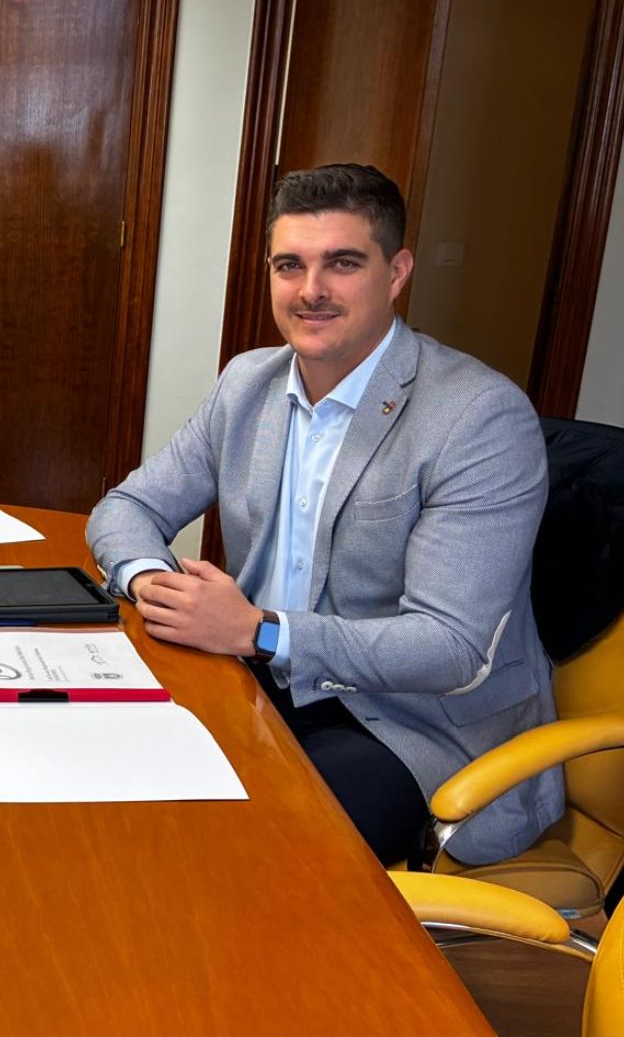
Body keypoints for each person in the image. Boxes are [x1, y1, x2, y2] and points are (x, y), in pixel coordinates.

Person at [87, 163, 562, 866]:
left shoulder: (477, 417)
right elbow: (127, 507)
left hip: (410, 725)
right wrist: (152, 582)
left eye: (342, 263)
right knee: (103, 778)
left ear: (396, 273)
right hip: (255, 681)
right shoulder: (248, 383)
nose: (311, 290)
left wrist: (261, 632)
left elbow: (449, 646)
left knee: (240, 851)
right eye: (290, 265)